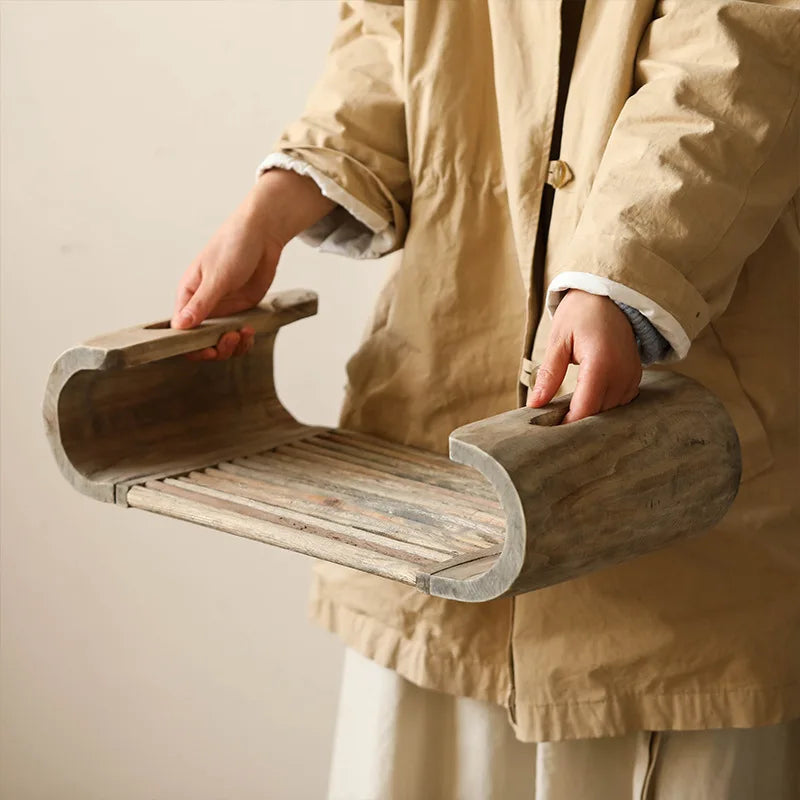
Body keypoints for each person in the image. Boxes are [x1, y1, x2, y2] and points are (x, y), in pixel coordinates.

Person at [170, 1, 800, 797]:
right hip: (435, 440)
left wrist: (626, 270)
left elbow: (739, 51)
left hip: (679, 447)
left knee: (661, 711)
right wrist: (280, 197)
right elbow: (390, 28)